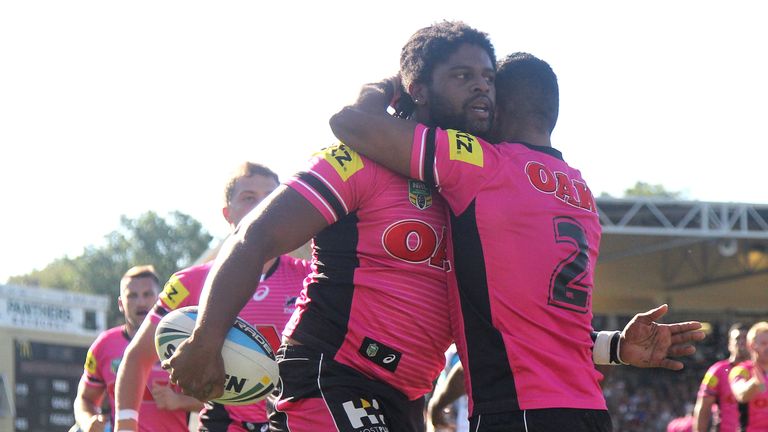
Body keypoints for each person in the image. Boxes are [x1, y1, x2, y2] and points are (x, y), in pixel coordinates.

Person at [166, 22, 703, 432]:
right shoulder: (359, 160)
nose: (482, 91)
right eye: (463, 76)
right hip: (334, 373)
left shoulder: (482, 181)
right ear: (417, 89)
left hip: (407, 396)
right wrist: (207, 336)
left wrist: (610, 345)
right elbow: (255, 237)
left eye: (489, 79)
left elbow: (514, 324)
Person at [329, 38, 705, 430]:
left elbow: (349, 123)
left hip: (517, 412)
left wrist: (393, 85)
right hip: (589, 413)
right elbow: (537, 323)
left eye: (487, 90)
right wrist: (617, 346)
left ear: (499, 106)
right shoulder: (581, 194)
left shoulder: (481, 164)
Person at [114, 162, 310, 432]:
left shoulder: (312, 276)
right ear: (227, 213)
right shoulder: (189, 282)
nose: (263, 206)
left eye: (272, 197)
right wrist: (125, 424)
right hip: (225, 425)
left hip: (296, 424)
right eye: (249, 198)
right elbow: (137, 356)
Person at [74, 265, 198, 432]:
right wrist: (87, 420)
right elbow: (84, 399)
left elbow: (220, 401)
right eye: (132, 296)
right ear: (120, 303)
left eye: (147, 294)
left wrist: (178, 401)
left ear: (161, 299)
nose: (141, 302)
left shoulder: (183, 341)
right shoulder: (104, 345)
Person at [693, 323, 750, 432]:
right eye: (737, 338)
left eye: (745, 338)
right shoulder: (717, 371)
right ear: (730, 344)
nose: (742, 342)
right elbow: (703, 408)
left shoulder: (760, 372)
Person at [729, 321, 768, 431]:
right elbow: (741, 394)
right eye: (764, 343)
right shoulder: (740, 371)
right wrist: (756, 382)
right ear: (751, 345)